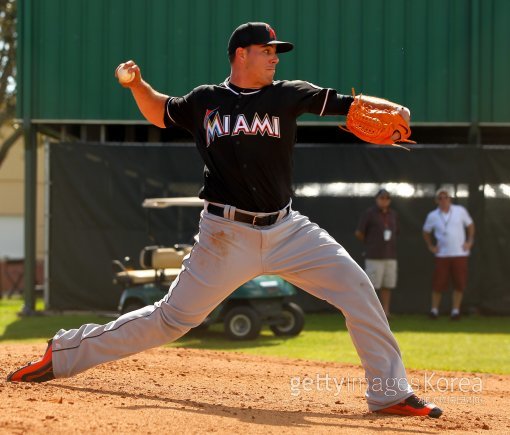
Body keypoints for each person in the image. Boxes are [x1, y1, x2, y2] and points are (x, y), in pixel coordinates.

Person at [7, 22, 442, 418]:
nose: (275, 56)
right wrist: (137, 84)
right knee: (172, 320)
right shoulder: (205, 102)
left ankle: (389, 393)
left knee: (357, 288)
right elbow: (160, 110)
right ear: (240, 54)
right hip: (225, 234)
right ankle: (63, 353)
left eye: (277, 51)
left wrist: (393, 107)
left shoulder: (288, 94)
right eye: (266, 49)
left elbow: (348, 105)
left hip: (287, 229)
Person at [423, 187, 475, 320]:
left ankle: (455, 311)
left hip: (460, 253)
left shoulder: (460, 211)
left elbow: (470, 225)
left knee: (459, 283)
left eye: (445, 197)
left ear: (450, 198)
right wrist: (431, 246)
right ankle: (434, 310)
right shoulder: (433, 215)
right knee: (438, 283)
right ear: (436, 200)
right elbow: (426, 231)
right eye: (440, 198)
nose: (443, 200)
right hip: (442, 255)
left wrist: (469, 241)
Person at [355, 188, 399, 318]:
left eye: (387, 198)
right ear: (377, 199)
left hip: (390, 256)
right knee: (372, 286)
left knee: (387, 285)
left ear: (389, 200)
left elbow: (396, 232)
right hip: (374, 256)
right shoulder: (369, 213)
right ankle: (371, 312)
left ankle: (385, 312)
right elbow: (359, 233)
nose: (384, 201)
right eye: (381, 198)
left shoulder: (393, 215)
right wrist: (371, 243)